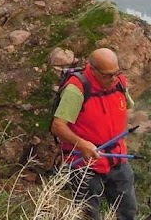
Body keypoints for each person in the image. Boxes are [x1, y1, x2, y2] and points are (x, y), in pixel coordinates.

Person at [51, 47, 138, 220]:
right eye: (107, 75)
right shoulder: (77, 88)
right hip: (85, 163)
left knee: (128, 212)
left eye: (116, 73)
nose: (113, 79)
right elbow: (58, 126)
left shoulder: (119, 81)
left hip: (117, 158)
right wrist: (82, 144)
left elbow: (126, 106)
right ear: (93, 70)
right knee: (89, 215)